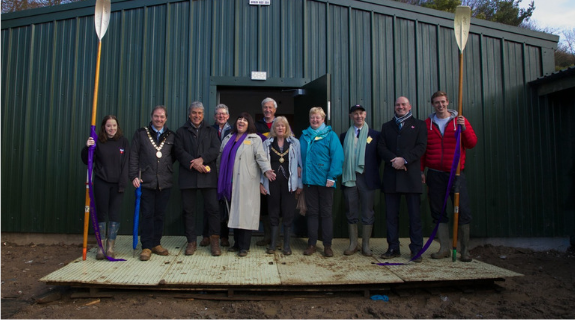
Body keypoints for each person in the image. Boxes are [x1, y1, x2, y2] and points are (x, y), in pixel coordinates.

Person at [421, 91, 478, 262]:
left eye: (443, 102)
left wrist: (464, 128)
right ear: (432, 104)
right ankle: (444, 248)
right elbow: (423, 150)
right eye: (437, 102)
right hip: (435, 175)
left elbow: (471, 143)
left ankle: (465, 250)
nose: (440, 105)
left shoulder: (459, 121)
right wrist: (421, 170)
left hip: (456, 174)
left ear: (448, 103)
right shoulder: (427, 124)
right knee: (438, 212)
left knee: (463, 211)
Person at [217, 113, 276, 257]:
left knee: (245, 214)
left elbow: (261, 156)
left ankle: (244, 246)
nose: (241, 122)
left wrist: (267, 170)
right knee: (233, 213)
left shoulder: (254, 139)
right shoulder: (228, 138)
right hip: (229, 182)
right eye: (239, 119)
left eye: (244, 120)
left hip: (246, 182)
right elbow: (220, 157)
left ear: (249, 123)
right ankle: (236, 243)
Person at [377, 96, 427, 263]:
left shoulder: (419, 125)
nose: (400, 107)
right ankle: (393, 247)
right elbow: (381, 147)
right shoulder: (387, 126)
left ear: (409, 106)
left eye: (403, 104)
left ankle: (416, 249)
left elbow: (421, 147)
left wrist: (404, 159)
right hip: (392, 177)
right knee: (391, 216)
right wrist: (394, 160)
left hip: (411, 176)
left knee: (414, 216)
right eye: (397, 104)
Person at [174, 102, 222, 256]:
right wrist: (193, 163)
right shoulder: (181, 131)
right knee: (188, 211)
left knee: (213, 210)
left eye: (200, 113)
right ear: (189, 114)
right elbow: (178, 151)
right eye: (194, 113)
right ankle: (191, 242)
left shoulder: (211, 131)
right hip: (188, 176)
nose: (197, 116)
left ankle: (214, 242)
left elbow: (216, 149)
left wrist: (202, 159)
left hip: (208, 176)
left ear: (203, 114)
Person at [129, 105, 176, 261]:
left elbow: (173, 156)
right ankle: (147, 246)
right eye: (156, 116)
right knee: (147, 214)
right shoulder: (141, 133)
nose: (159, 119)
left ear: (166, 118)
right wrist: (134, 175)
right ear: (151, 117)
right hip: (146, 181)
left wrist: (166, 168)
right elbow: (134, 155)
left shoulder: (171, 136)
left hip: (164, 182)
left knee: (159, 215)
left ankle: (156, 243)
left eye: (162, 117)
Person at [81, 115, 130, 259]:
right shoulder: (97, 142)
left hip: (118, 184)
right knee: (101, 214)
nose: (112, 129)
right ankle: (100, 247)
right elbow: (87, 160)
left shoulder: (123, 142)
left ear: (117, 127)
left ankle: (110, 247)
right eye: (109, 126)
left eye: (114, 126)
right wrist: (87, 147)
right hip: (102, 182)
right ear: (104, 127)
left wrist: (123, 182)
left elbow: (126, 163)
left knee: (114, 215)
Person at [300, 107, 344, 257]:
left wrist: (332, 177)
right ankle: (312, 244)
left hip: (326, 182)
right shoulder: (304, 136)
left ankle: (327, 245)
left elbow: (337, 157)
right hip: (309, 181)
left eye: (318, 117)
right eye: (312, 117)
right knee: (312, 213)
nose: (315, 120)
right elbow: (298, 156)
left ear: (323, 119)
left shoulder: (331, 136)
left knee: (326, 213)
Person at [339, 105, 381, 257]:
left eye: (361, 113)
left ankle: (366, 245)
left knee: (367, 211)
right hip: (349, 178)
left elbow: (378, 158)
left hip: (367, 178)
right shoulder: (344, 136)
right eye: (355, 114)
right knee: (351, 210)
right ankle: (353, 244)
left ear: (365, 114)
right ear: (351, 116)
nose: (359, 116)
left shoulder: (375, 135)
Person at [261, 116, 303, 255]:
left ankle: (286, 245)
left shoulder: (294, 143)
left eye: (283, 126)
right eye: (277, 126)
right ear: (274, 128)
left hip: (289, 184)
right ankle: (273, 244)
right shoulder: (267, 143)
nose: (280, 128)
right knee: (273, 212)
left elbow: (300, 164)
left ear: (286, 128)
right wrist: (261, 183)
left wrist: (300, 184)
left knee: (288, 212)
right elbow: (261, 164)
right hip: (272, 183)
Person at [198, 104, 233, 248]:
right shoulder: (208, 130)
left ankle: (224, 236)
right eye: (218, 114)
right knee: (210, 206)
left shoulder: (234, 131)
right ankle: (206, 235)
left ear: (228, 116)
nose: (221, 116)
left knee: (225, 205)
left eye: (224, 114)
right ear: (214, 117)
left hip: (226, 174)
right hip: (210, 173)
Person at [254, 97, 278, 247]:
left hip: (278, 172)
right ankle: (267, 236)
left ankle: (277, 239)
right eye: (265, 108)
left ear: (275, 110)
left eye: (270, 107)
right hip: (262, 172)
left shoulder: (281, 124)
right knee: (264, 206)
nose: (268, 110)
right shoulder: (256, 126)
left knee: (277, 206)